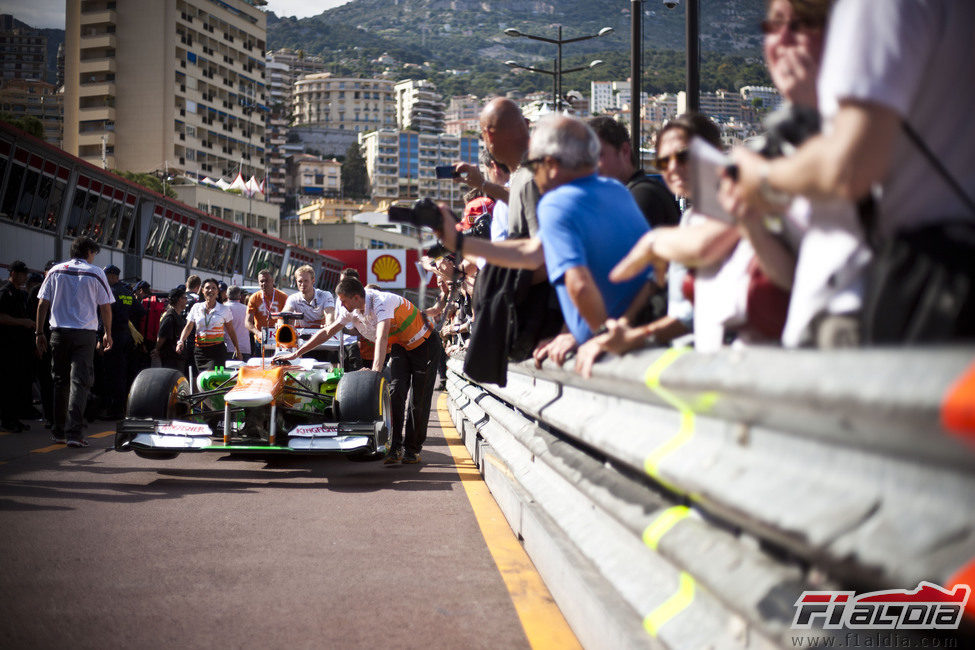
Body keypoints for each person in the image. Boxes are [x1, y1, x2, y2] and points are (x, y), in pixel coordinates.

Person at [719, 0, 975, 344]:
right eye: (773, 25)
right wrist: (751, 222)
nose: (783, 40)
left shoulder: (875, 10)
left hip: (876, 310)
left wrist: (762, 177)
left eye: (804, 23)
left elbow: (848, 168)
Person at [439, 114, 652, 365]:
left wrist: (597, 334)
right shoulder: (615, 190)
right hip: (637, 329)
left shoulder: (558, 203)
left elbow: (580, 285)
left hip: (608, 349)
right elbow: (534, 252)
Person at [277, 278, 441, 465]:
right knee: (396, 393)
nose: (342, 305)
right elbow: (328, 331)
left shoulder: (381, 301)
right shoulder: (351, 309)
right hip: (401, 346)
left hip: (424, 343)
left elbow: (381, 337)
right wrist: (297, 352)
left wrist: (375, 373)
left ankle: (412, 449)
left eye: (344, 301)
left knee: (418, 400)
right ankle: (395, 448)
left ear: (356, 297)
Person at [35, 236, 114, 447]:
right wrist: (107, 332)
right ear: (88, 251)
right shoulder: (95, 272)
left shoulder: (55, 271)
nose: (94, 256)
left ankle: (58, 431)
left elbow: (43, 303)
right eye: (94, 253)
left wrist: (38, 333)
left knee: (60, 382)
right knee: (80, 382)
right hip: (84, 335)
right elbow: (105, 307)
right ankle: (74, 433)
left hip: (58, 333)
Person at [588, 116, 681, 228]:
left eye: (598, 155)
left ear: (625, 151)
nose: (591, 166)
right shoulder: (635, 193)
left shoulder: (643, 197)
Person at [100, 264, 142, 419]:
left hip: (112, 336)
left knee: (112, 375)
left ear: (113, 276)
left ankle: (114, 410)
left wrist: (101, 336)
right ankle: (122, 407)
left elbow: (103, 315)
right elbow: (141, 310)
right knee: (123, 374)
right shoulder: (127, 292)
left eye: (106, 275)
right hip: (126, 337)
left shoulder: (110, 292)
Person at [0, 260, 35, 431]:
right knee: (8, 385)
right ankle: (7, 420)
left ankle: (15, 418)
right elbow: (2, 317)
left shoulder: (20, 294)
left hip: (19, 347)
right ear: (13, 273)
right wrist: (23, 322)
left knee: (17, 384)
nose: (25, 277)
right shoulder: (5, 293)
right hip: (7, 346)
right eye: (22, 274)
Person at [177, 278, 240, 371]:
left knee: (211, 378)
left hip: (217, 351)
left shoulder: (224, 309)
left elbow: (231, 330)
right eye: (207, 288)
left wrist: (237, 349)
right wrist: (181, 341)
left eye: (214, 288)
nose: (210, 290)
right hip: (200, 351)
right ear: (202, 290)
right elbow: (188, 326)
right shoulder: (196, 307)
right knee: (202, 379)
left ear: (217, 291)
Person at [246, 269, 288, 355]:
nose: (264, 283)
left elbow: (289, 318)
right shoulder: (254, 298)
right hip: (261, 341)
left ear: (272, 281)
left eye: (267, 280)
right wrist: (258, 333)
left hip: (279, 340)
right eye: (261, 281)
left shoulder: (283, 297)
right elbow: (247, 322)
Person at [154, 286, 188, 371]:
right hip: (171, 358)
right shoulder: (170, 316)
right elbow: (162, 336)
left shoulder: (177, 315)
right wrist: (157, 349)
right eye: (185, 298)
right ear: (179, 299)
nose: (186, 300)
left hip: (178, 357)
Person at [224, 285, 251, 361]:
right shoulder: (246, 309)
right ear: (239, 296)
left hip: (229, 348)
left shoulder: (223, 308)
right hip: (245, 348)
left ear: (227, 295)